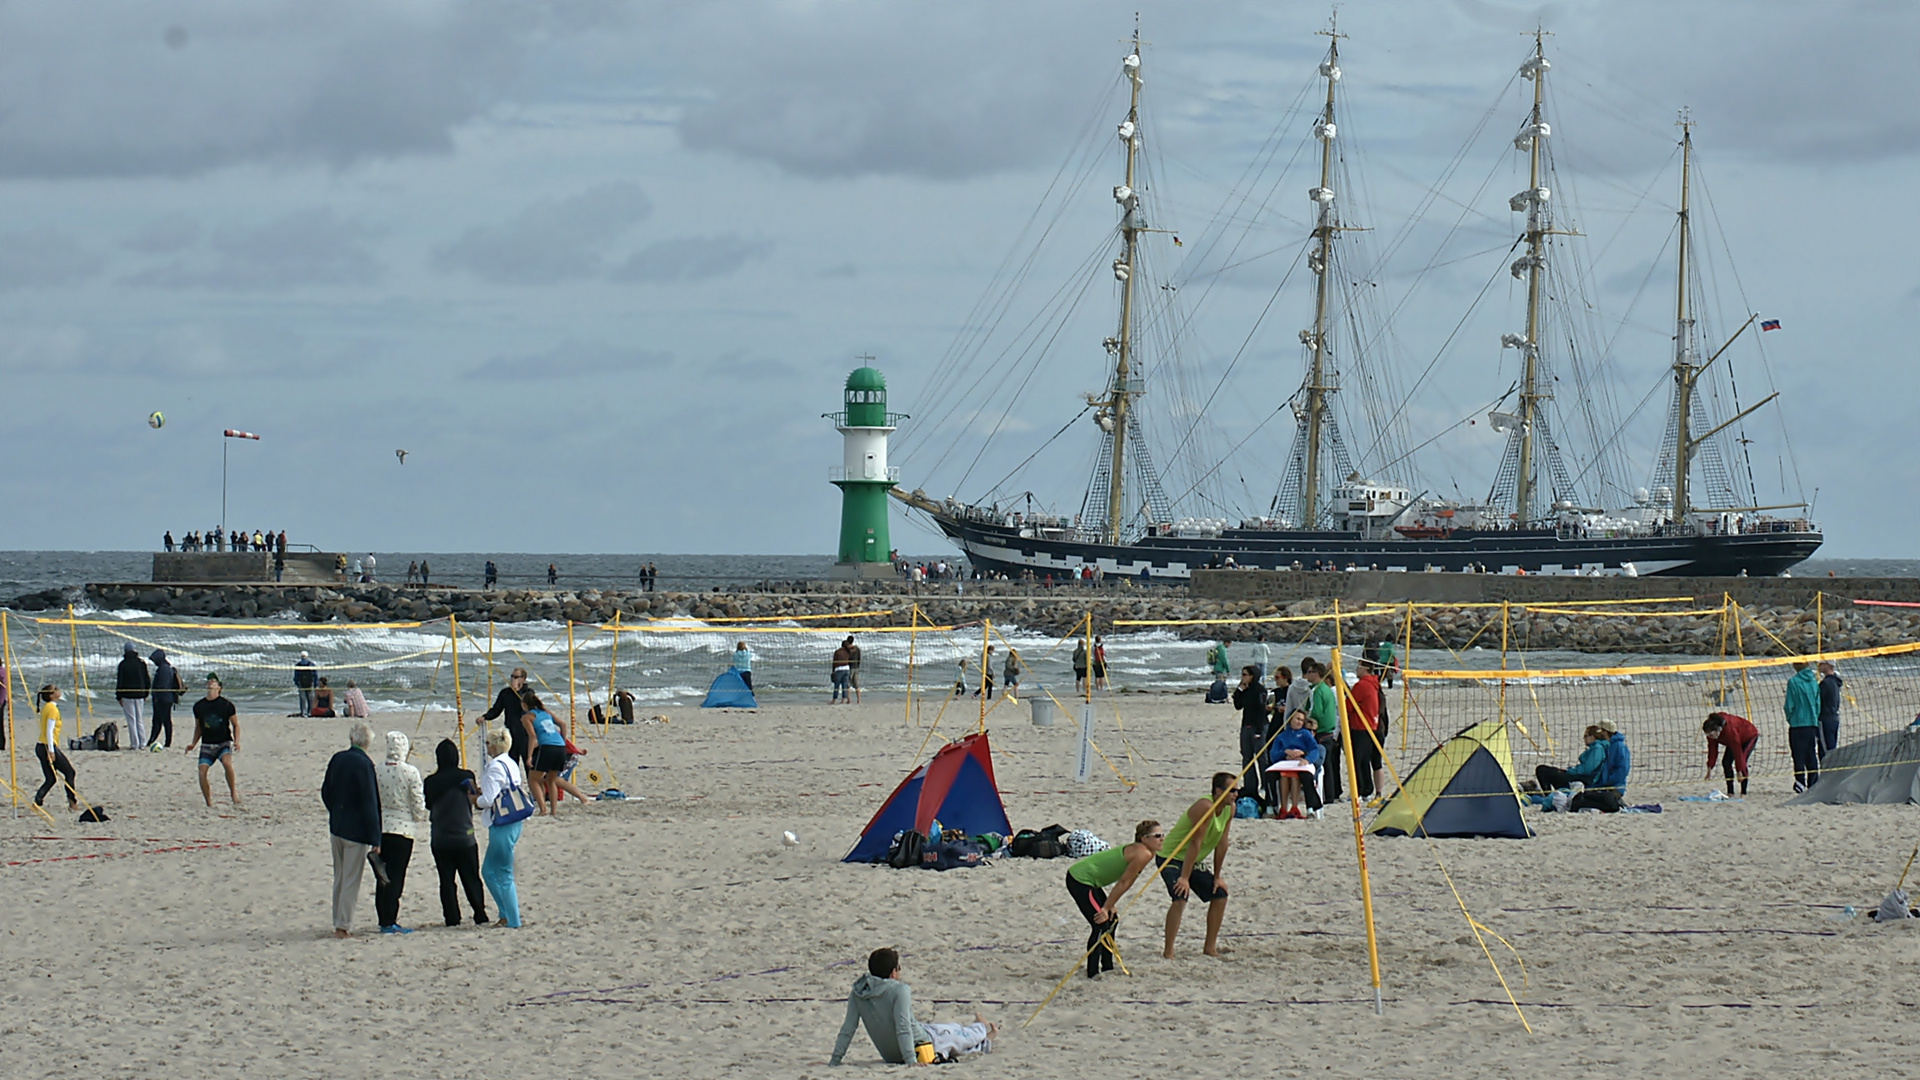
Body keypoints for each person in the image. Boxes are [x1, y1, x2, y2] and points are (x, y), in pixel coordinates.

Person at [831, 948, 997, 1066]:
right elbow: (903, 1027)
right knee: (956, 1033)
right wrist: (911, 1060)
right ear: (893, 973)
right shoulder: (899, 989)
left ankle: (986, 1038)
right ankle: (982, 1028)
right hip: (922, 1044)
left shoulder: (859, 991)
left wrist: (835, 1060)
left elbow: (848, 1029)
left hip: (891, 1055)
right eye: (899, 969)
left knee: (949, 1042)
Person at [1065, 820, 1165, 978]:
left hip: (1093, 882)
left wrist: (1110, 905)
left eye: (1162, 835)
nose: (1162, 839)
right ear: (1144, 839)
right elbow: (1125, 881)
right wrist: (1106, 907)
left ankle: (1107, 966)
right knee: (1100, 922)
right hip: (1080, 879)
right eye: (1157, 836)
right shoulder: (1142, 853)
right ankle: (1092, 972)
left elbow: (1127, 882)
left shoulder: (1148, 853)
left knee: (1112, 920)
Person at [1162, 772, 1236, 959]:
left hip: (1192, 860)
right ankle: (1168, 951)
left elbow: (1222, 843)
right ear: (1218, 791)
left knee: (1220, 895)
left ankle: (1210, 948)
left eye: (1237, 790)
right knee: (1180, 896)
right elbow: (1195, 842)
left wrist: (1217, 876)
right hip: (1170, 857)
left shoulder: (1230, 808)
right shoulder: (1205, 806)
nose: (1235, 794)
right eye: (1232, 790)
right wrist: (1185, 877)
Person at [321, 723, 383, 938]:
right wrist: (376, 837)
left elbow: (325, 791)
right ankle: (343, 924)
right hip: (355, 831)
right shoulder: (365, 765)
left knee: (339, 877)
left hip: (337, 825)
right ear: (367, 742)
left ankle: (337, 919)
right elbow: (370, 802)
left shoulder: (338, 758)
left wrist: (334, 811)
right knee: (350, 879)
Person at [424, 738, 489, 926]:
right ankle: (479, 913)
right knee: (471, 877)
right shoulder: (466, 776)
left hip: (440, 836)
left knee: (446, 880)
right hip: (464, 835)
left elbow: (428, 805)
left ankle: (452, 917)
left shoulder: (431, 782)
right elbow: (473, 797)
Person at [373, 731, 429, 934]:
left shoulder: (377, 769)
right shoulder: (410, 772)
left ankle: (383, 919)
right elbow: (417, 801)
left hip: (381, 828)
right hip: (403, 830)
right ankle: (390, 921)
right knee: (396, 877)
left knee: (382, 876)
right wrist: (419, 816)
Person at [477, 726, 527, 928]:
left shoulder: (495, 767)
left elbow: (488, 799)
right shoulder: (511, 763)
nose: (486, 747)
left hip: (503, 822)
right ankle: (505, 912)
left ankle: (512, 920)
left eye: (488, 743)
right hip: (514, 820)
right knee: (488, 870)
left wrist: (475, 799)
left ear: (495, 746)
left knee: (503, 872)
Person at [183, 674, 242, 808]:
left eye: (214, 681)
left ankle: (233, 794)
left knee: (227, 763)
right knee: (202, 771)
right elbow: (198, 727)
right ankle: (209, 802)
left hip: (223, 742)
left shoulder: (226, 705)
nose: (210, 683)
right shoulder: (199, 706)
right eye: (209, 681)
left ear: (219, 687)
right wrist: (193, 743)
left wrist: (237, 742)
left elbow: (236, 725)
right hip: (207, 744)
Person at [1268, 710, 1324, 819]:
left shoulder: (1305, 734)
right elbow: (1273, 755)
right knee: (1271, 776)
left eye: (1302, 720)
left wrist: (1306, 758)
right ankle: (1276, 807)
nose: (1300, 722)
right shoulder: (1281, 736)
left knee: (1304, 777)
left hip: (1301, 763)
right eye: (1297, 719)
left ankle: (1308, 808)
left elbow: (1315, 750)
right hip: (1285, 763)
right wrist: (1284, 753)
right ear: (1290, 720)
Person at [33, 684, 79, 810]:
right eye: (56, 689)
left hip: (41, 746)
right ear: (51, 695)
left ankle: (37, 801)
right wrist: (52, 751)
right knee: (70, 772)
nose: (59, 690)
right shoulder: (52, 709)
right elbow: (49, 730)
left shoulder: (47, 707)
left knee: (50, 778)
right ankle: (72, 802)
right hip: (47, 746)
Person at [522, 689, 567, 816]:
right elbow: (563, 724)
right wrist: (562, 742)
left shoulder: (527, 717)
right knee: (551, 780)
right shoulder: (546, 712)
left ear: (524, 705)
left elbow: (532, 736)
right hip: (560, 747)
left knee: (533, 779)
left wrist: (529, 756)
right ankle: (553, 811)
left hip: (547, 747)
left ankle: (543, 809)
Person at [1346, 659, 1386, 802]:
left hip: (1363, 727)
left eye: (1358, 667)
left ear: (1365, 669)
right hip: (1376, 727)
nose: (1356, 670)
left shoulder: (1363, 685)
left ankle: (1363, 791)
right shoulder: (1375, 684)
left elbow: (1348, 706)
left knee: (1360, 761)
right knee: (1375, 762)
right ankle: (1377, 792)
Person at [1305, 661, 1343, 806]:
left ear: (1316, 673)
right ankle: (1331, 794)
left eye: (1309, 672)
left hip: (1321, 731)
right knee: (1330, 765)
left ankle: (1326, 795)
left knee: (1321, 764)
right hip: (1330, 730)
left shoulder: (1318, 690)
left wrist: (1306, 721)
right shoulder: (1326, 689)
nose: (1307, 675)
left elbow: (1317, 713)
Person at [479, 667, 531, 769]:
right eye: (512, 677)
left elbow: (527, 707)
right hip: (510, 733)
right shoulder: (505, 693)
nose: (513, 679)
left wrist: (518, 691)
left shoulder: (528, 693)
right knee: (511, 765)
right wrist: (485, 717)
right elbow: (496, 709)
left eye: (516, 677)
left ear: (523, 679)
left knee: (528, 767)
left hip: (525, 734)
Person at [1231, 666, 1269, 807]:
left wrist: (1259, 730)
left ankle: (1266, 783)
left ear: (1253, 676)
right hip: (1246, 724)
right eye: (1242, 674)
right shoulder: (1245, 689)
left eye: (1245, 675)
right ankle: (1250, 785)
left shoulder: (1259, 690)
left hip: (1258, 725)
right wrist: (1240, 689)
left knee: (1261, 756)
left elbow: (1261, 710)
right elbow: (1238, 705)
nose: (1243, 677)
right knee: (1247, 757)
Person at [1535, 724, 1609, 791]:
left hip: (1583, 779)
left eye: (1585, 736)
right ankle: (1552, 794)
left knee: (1542, 770)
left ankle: (1549, 795)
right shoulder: (1596, 748)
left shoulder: (1597, 749)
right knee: (1548, 771)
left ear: (1592, 737)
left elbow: (1587, 769)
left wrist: (1569, 771)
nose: (1584, 739)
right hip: (1581, 776)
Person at [1785, 661, 1822, 792]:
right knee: (1811, 753)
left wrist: (1790, 718)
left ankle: (1800, 783)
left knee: (1798, 754)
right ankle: (1813, 782)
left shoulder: (1793, 682)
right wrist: (1814, 717)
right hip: (1811, 723)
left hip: (1797, 724)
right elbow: (1818, 704)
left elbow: (1789, 705)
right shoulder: (1814, 682)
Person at [1703, 712, 1759, 797]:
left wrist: (1739, 770)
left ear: (1717, 729)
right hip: (1733, 740)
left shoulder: (1730, 731)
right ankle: (1730, 792)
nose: (1709, 737)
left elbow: (1737, 751)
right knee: (1726, 762)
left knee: (1742, 762)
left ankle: (1743, 792)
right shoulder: (1711, 733)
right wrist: (1710, 767)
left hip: (1749, 736)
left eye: (1710, 734)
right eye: (1707, 735)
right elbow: (1712, 750)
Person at [113, 642, 150, 750]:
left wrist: (118, 696)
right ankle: (142, 743)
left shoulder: (123, 664)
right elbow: (147, 680)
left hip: (127, 695)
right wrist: (146, 693)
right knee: (139, 720)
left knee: (131, 720)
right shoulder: (141, 663)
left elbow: (120, 682)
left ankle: (135, 744)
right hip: (139, 695)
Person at [146, 648, 183, 750]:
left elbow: (162, 686)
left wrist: (157, 698)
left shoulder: (164, 669)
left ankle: (165, 742)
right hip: (166, 698)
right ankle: (154, 741)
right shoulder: (167, 668)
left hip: (163, 699)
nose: (154, 662)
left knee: (162, 721)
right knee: (161, 720)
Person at [1817, 661, 1843, 757]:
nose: (1818, 666)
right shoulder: (1835, 681)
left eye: (1821, 663)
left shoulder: (1826, 683)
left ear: (1828, 665)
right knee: (1831, 749)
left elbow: (1818, 701)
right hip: (1834, 718)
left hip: (1825, 719)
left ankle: (1827, 771)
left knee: (1825, 751)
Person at [293, 651, 318, 716]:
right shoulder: (311, 664)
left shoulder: (298, 665)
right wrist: (315, 684)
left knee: (302, 699)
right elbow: (315, 675)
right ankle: (310, 712)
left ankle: (303, 712)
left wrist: (296, 683)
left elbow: (296, 676)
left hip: (302, 683)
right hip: (309, 683)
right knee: (310, 699)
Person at [845, 635, 864, 703]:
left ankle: (849, 699)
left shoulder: (847, 649)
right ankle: (859, 700)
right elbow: (859, 658)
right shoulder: (857, 649)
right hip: (856, 667)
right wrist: (858, 665)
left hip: (849, 667)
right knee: (857, 685)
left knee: (848, 684)